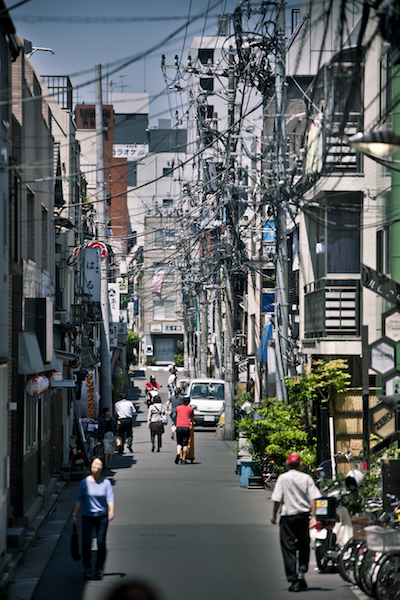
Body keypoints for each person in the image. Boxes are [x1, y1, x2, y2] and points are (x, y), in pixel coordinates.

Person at [270, 452, 321, 592]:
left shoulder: (282, 478)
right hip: (303, 516)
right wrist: (314, 517)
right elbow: (313, 498)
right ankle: (301, 572)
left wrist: (274, 515)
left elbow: (277, 499)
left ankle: (293, 579)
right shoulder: (306, 478)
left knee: (288, 548)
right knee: (304, 545)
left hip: (287, 517)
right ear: (300, 464)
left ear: (287, 463)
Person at [72, 456, 114, 581]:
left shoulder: (106, 483)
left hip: (102, 516)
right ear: (91, 467)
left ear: (102, 468)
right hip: (87, 516)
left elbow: (110, 498)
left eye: (99, 466)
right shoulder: (84, 482)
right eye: (94, 466)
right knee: (86, 542)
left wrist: (111, 511)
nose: (96, 468)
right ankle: (87, 568)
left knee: (101, 542)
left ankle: (99, 567)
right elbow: (80, 499)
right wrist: (74, 514)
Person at [175, 396, 194, 464]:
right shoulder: (190, 409)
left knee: (179, 443)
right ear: (189, 402)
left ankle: (178, 454)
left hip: (179, 427)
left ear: (182, 401)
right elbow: (192, 417)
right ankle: (183, 459)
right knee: (185, 444)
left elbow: (176, 415)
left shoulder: (178, 408)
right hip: (186, 427)